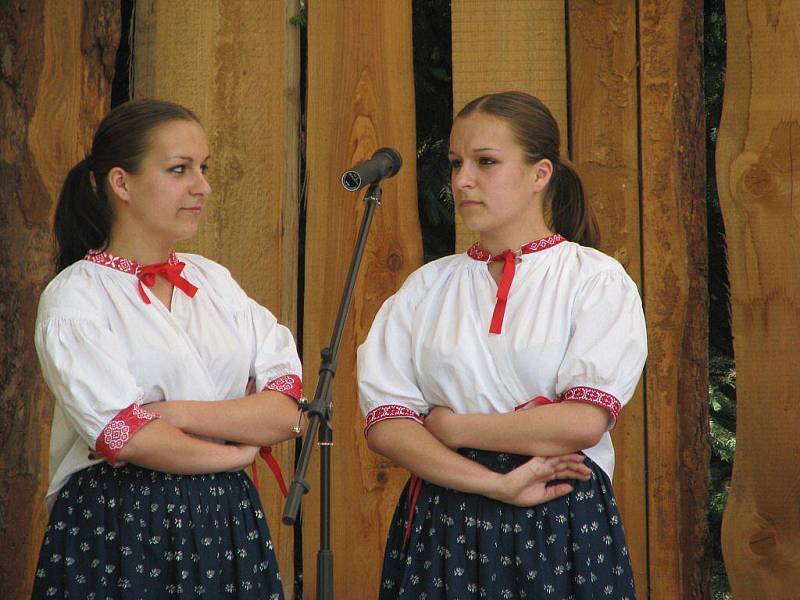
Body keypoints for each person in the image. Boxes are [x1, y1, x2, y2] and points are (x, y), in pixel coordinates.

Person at [358, 91, 647, 599]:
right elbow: (385, 423)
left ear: (541, 174)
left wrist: (451, 426)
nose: (462, 179)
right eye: (456, 163)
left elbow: (581, 422)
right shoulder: (427, 288)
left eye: (485, 162)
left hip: (557, 518)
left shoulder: (594, 280)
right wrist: (491, 482)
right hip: (444, 519)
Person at [32, 99, 303, 599]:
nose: (202, 186)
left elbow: (285, 413)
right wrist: (233, 454)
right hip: (122, 525)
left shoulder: (215, 283)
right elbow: (129, 440)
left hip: (225, 524)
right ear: (122, 183)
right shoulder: (76, 298)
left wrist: (169, 412)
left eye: (203, 168)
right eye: (179, 170)